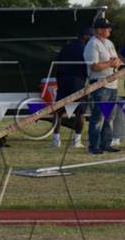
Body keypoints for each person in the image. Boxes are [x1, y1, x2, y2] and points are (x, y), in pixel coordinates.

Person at [83, 18, 122, 154]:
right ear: (99, 30)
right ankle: (94, 146)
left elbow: (116, 60)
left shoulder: (110, 43)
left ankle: (106, 143)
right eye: (107, 28)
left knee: (109, 116)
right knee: (98, 116)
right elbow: (94, 66)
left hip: (112, 84)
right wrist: (110, 63)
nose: (110, 30)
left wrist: (116, 62)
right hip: (99, 84)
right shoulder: (92, 44)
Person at [52, 28, 92, 148]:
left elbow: (56, 63)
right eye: (90, 36)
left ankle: (56, 140)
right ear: (85, 36)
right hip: (77, 81)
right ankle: (77, 140)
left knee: (58, 111)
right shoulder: (86, 49)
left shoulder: (66, 47)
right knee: (80, 112)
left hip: (62, 80)